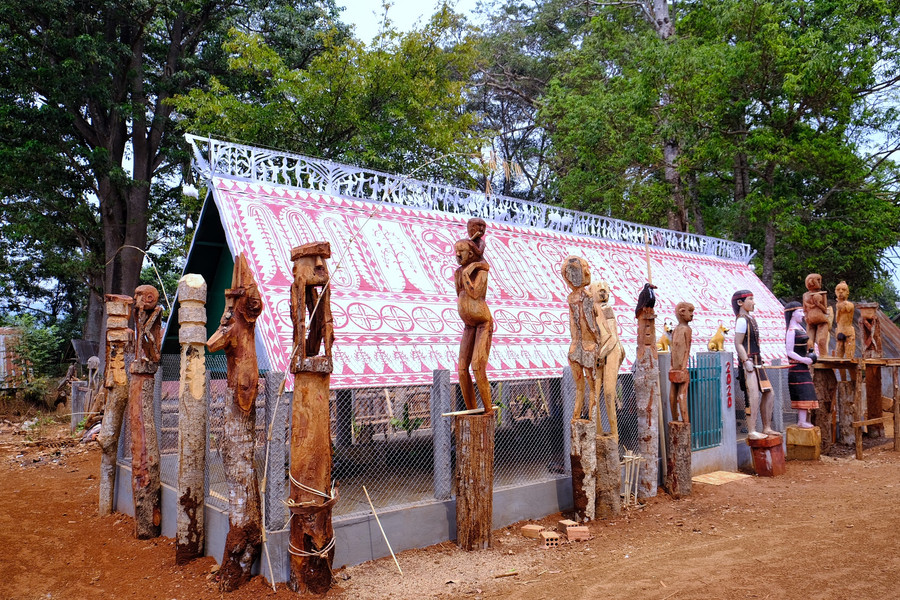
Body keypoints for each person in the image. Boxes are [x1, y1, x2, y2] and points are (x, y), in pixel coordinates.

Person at [454, 237, 493, 414]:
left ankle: (487, 409)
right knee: (462, 369)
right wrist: (463, 273)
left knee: (477, 365)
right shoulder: (458, 273)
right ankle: (472, 411)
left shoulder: (480, 272)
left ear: (470, 253)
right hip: (469, 325)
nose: (456, 255)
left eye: (460, 252)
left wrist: (469, 273)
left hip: (483, 323)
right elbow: (460, 294)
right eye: (455, 251)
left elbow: (475, 293)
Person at [733, 290, 777, 440]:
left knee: (769, 392)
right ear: (740, 302)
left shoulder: (750, 318)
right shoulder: (741, 320)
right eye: (750, 299)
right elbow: (738, 343)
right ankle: (751, 430)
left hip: (758, 361)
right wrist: (745, 361)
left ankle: (767, 427)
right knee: (752, 396)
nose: (753, 302)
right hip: (749, 363)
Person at [563, 256, 599, 422]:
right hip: (589, 347)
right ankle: (591, 420)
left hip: (574, 347)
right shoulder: (587, 296)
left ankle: (576, 416)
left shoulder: (570, 298)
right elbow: (590, 323)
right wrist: (598, 340)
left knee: (579, 389)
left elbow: (572, 327)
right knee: (593, 388)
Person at [784, 302, 817, 428]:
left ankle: (803, 420)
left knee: (807, 392)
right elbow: (789, 351)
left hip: (803, 366)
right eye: (800, 312)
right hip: (796, 367)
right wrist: (803, 360)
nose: (802, 315)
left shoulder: (800, 328)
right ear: (792, 314)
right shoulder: (791, 331)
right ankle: (801, 421)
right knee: (802, 392)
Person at [669, 302, 695, 423]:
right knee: (671, 397)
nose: (692, 315)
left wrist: (684, 366)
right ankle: (675, 419)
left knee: (682, 396)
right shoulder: (675, 330)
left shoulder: (687, 329)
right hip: (674, 367)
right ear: (682, 312)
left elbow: (687, 349)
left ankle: (685, 421)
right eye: (690, 312)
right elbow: (673, 349)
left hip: (682, 368)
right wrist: (671, 365)